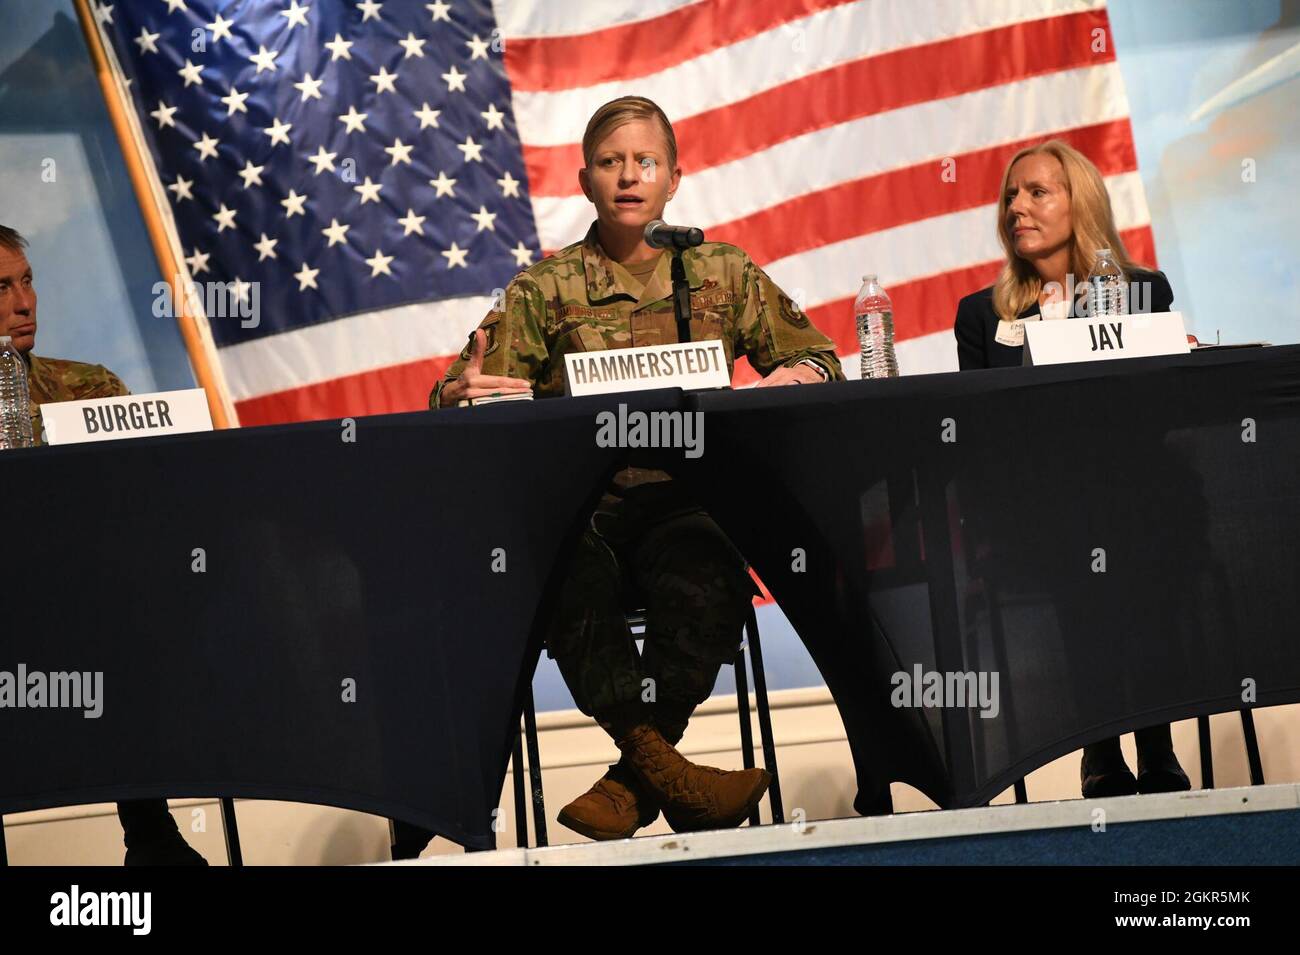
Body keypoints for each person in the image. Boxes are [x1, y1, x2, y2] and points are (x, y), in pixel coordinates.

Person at [409, 96, 843, 850]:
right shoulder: (543, 290)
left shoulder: (719, 272)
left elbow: (823, 360)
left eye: (646, 161)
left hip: (688, 503)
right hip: (586, 510)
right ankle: (667, 773)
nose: (629, 176)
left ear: (674, 177)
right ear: (585, 181)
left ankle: (634, 777)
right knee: (556, 576)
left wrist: (796, 376)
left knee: (712, 575)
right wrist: (458, 391)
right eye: (611, 162)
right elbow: (457, 391)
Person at [951, 141, 1191, 798]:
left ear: (1078, 203)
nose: (1016, 208)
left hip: (1136, 499)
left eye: (1036, 192)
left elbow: (1157, 415)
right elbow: (976, 436)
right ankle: (1108, 742)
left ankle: (1146, 740)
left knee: (1130, 516)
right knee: (1077, 528)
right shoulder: (982, 316)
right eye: (1010, 195)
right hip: (1036, 516)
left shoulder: (1142, 291)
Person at [0, 223, 207, 864]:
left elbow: (147, 512)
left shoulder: (87, 387)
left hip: (87, 607)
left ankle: (152, 835)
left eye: (27, 281)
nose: (24, 302)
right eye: (1, 288)